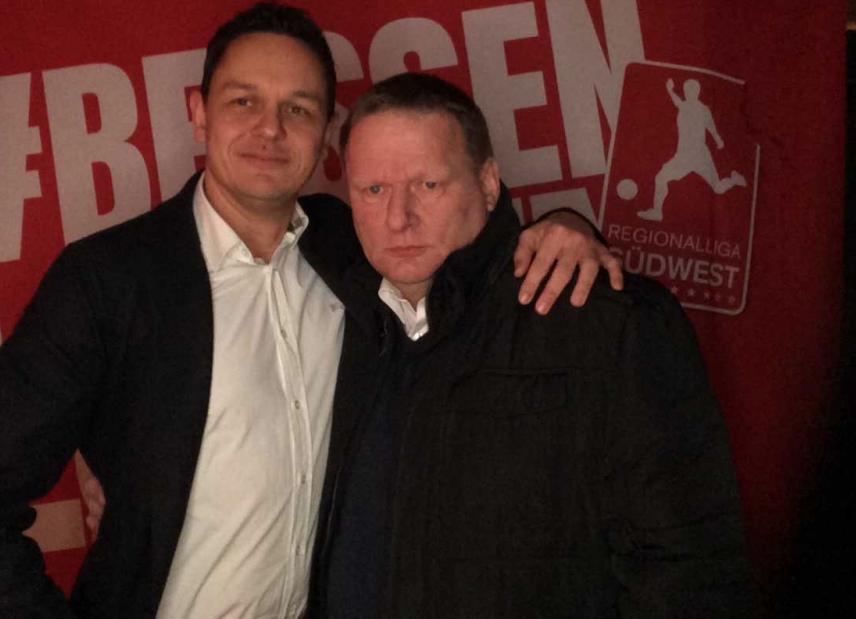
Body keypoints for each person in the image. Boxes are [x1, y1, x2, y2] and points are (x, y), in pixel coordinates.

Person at [0, 2, 619, 618]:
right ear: (198, 112)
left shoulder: (356, 249)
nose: (270, 129)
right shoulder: (108, 282)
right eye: (243, 101)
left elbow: (459, 237)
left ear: (328, 131)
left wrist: (564, 227)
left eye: (297, 109)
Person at [309, 72, 750, 618]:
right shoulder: (335, 308)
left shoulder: (610, 322)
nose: (398, 218)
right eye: (373, 190)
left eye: (429, 185)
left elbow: (689, 571)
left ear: (489, 184)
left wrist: (571, 226)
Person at [637, 77, 747, 222]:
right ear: (685, 92)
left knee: (718, 188)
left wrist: (718, 139)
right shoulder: (685, 106)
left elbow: (711, 127)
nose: (688, 93)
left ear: (697, 92)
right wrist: (669, 90)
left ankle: (734, 179)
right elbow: (678, 102)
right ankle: (657, 212)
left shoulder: (702, 109)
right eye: (686, 91)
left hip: (698, 155)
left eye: (691, 91)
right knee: (661, 178)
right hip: (686, 155)